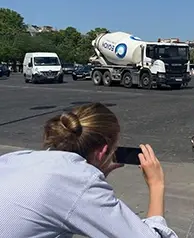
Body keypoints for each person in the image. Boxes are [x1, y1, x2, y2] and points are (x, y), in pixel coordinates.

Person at [0, 102, 178, 238]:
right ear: (102, 151)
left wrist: (96, 175)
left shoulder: (17, 158)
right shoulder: (78, 181)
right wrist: (156, 184)